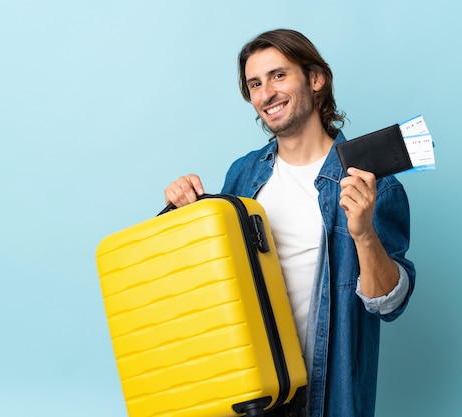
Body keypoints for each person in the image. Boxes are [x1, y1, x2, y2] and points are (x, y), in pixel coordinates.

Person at [164, 29, 415, 417]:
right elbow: (211, 280)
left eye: (279, 75)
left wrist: (363, 234)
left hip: (326, 390)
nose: (266, 93)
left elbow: (390, 304)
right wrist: (185, 213)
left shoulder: (374, 185)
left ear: (316, 80)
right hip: (250, 388)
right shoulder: (244, 173)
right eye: (255, 84)